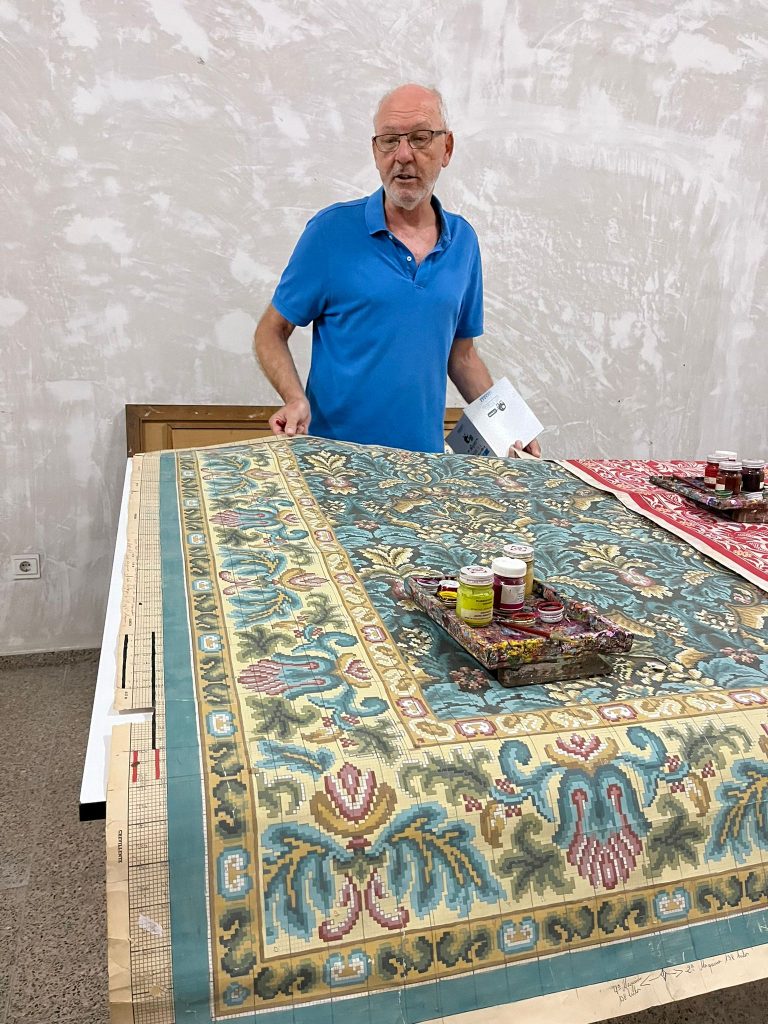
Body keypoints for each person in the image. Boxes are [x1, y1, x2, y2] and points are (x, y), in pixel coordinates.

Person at [253, 83, 542, 458]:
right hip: (332, 466)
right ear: (376, 152)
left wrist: (511, 429)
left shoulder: (464, 242)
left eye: (420, 138)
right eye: (390, 140)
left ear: (447, 148)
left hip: (422, 467)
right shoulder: (329, 232)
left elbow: (463, 356)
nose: (403, 155)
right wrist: (294, 398)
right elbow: (271, 331)